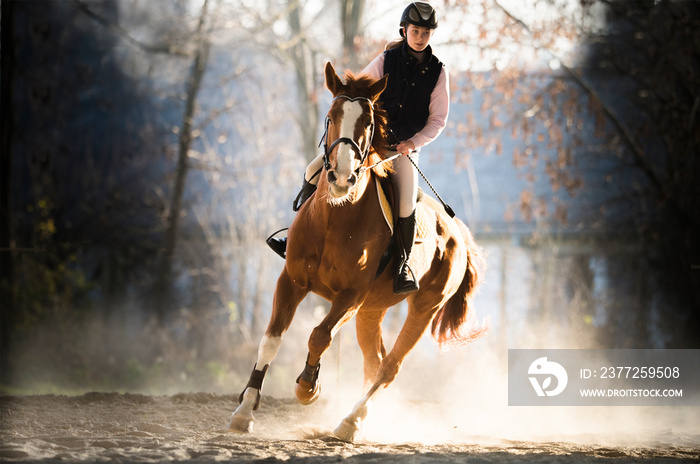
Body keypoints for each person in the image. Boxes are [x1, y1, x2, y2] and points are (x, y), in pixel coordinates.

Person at [268, 1, 449, 295]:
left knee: (405, 203)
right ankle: (294, 239)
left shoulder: (438, 73)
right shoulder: (384, 60)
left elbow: (438, 120)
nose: (420, 37)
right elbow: (357, 94)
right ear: (405, 30)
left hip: (402, 152)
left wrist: (413, 143)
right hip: (369, 147)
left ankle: (402, 266)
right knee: (314, 169)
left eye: (426, 32)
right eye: (415, 30)